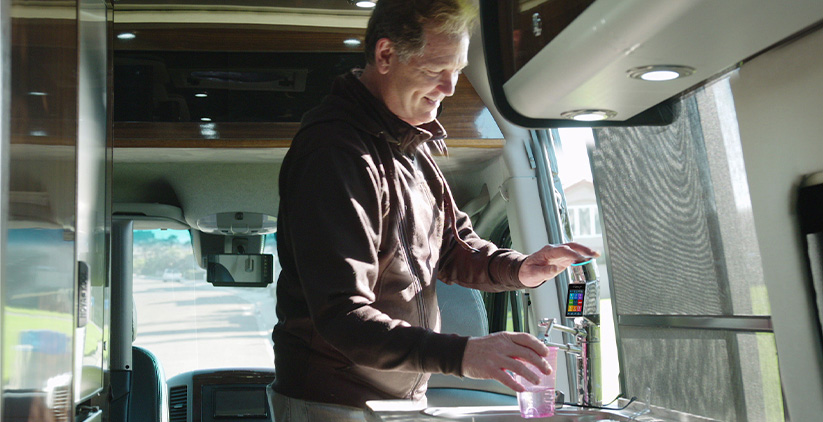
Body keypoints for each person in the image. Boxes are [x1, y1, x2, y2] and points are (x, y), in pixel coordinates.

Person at [268, 0, 599, 420]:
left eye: (457, 70)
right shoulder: (335, 153)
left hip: (391, 397)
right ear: (386, 55)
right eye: (434, 70)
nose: (448, 88)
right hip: (332, 400)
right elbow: (342, 315)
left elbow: (453, 247)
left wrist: (521, 269)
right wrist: (464, 355)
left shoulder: (412, 146)